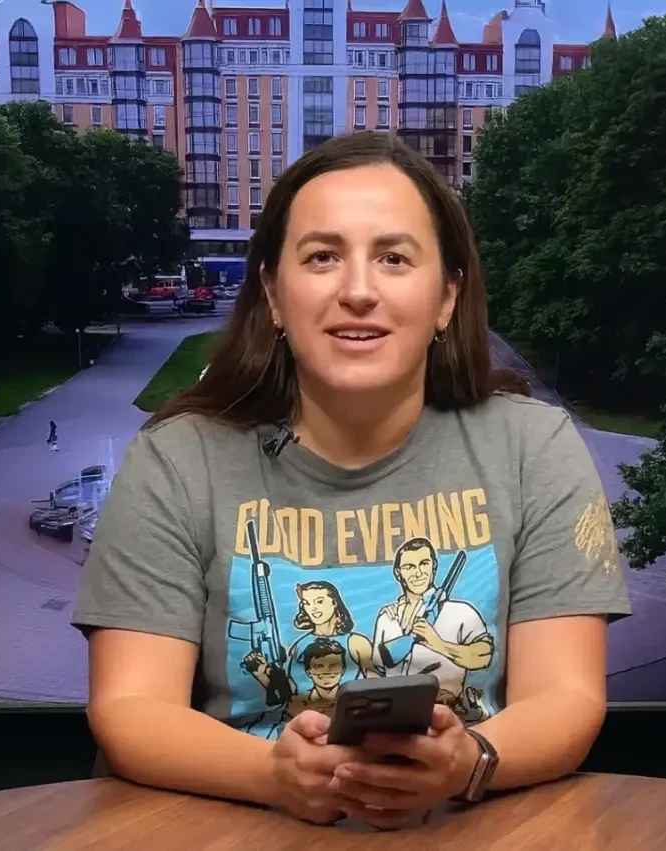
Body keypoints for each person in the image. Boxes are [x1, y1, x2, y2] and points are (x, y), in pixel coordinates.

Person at [72, 131, 631, 830]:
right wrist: (273, 775)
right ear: (274, 294)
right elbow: (129, 706)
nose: (358, 291)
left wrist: (467, 762)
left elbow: (567, 698)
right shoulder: (177, 460)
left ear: (447, 296)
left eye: (394, 258)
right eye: (322, 257)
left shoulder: (533, 447)